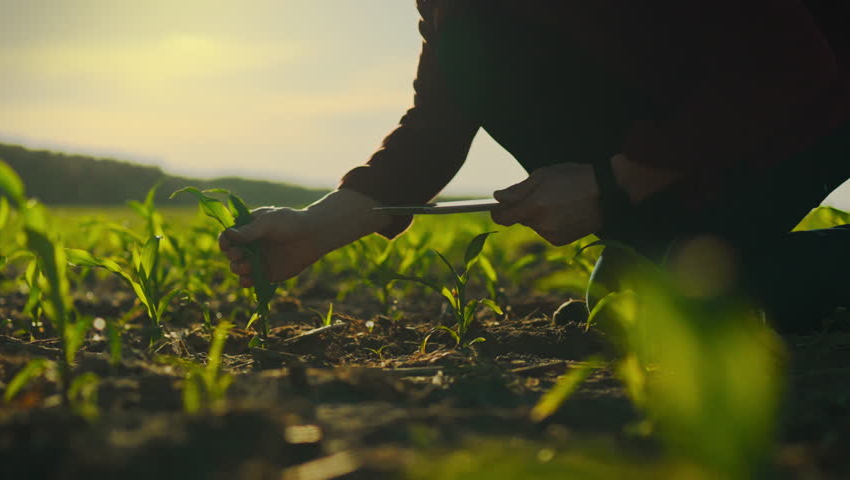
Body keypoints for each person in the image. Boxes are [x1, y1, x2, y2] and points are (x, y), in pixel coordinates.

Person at [220, 0, 850, 333]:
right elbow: (439, 122)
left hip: (818, 102)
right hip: (710, 125)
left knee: (724, 299)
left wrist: (616, 180)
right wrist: (314, 227)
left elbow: (791, 65)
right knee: (647, 297)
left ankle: (691, 249)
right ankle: (664, 240)